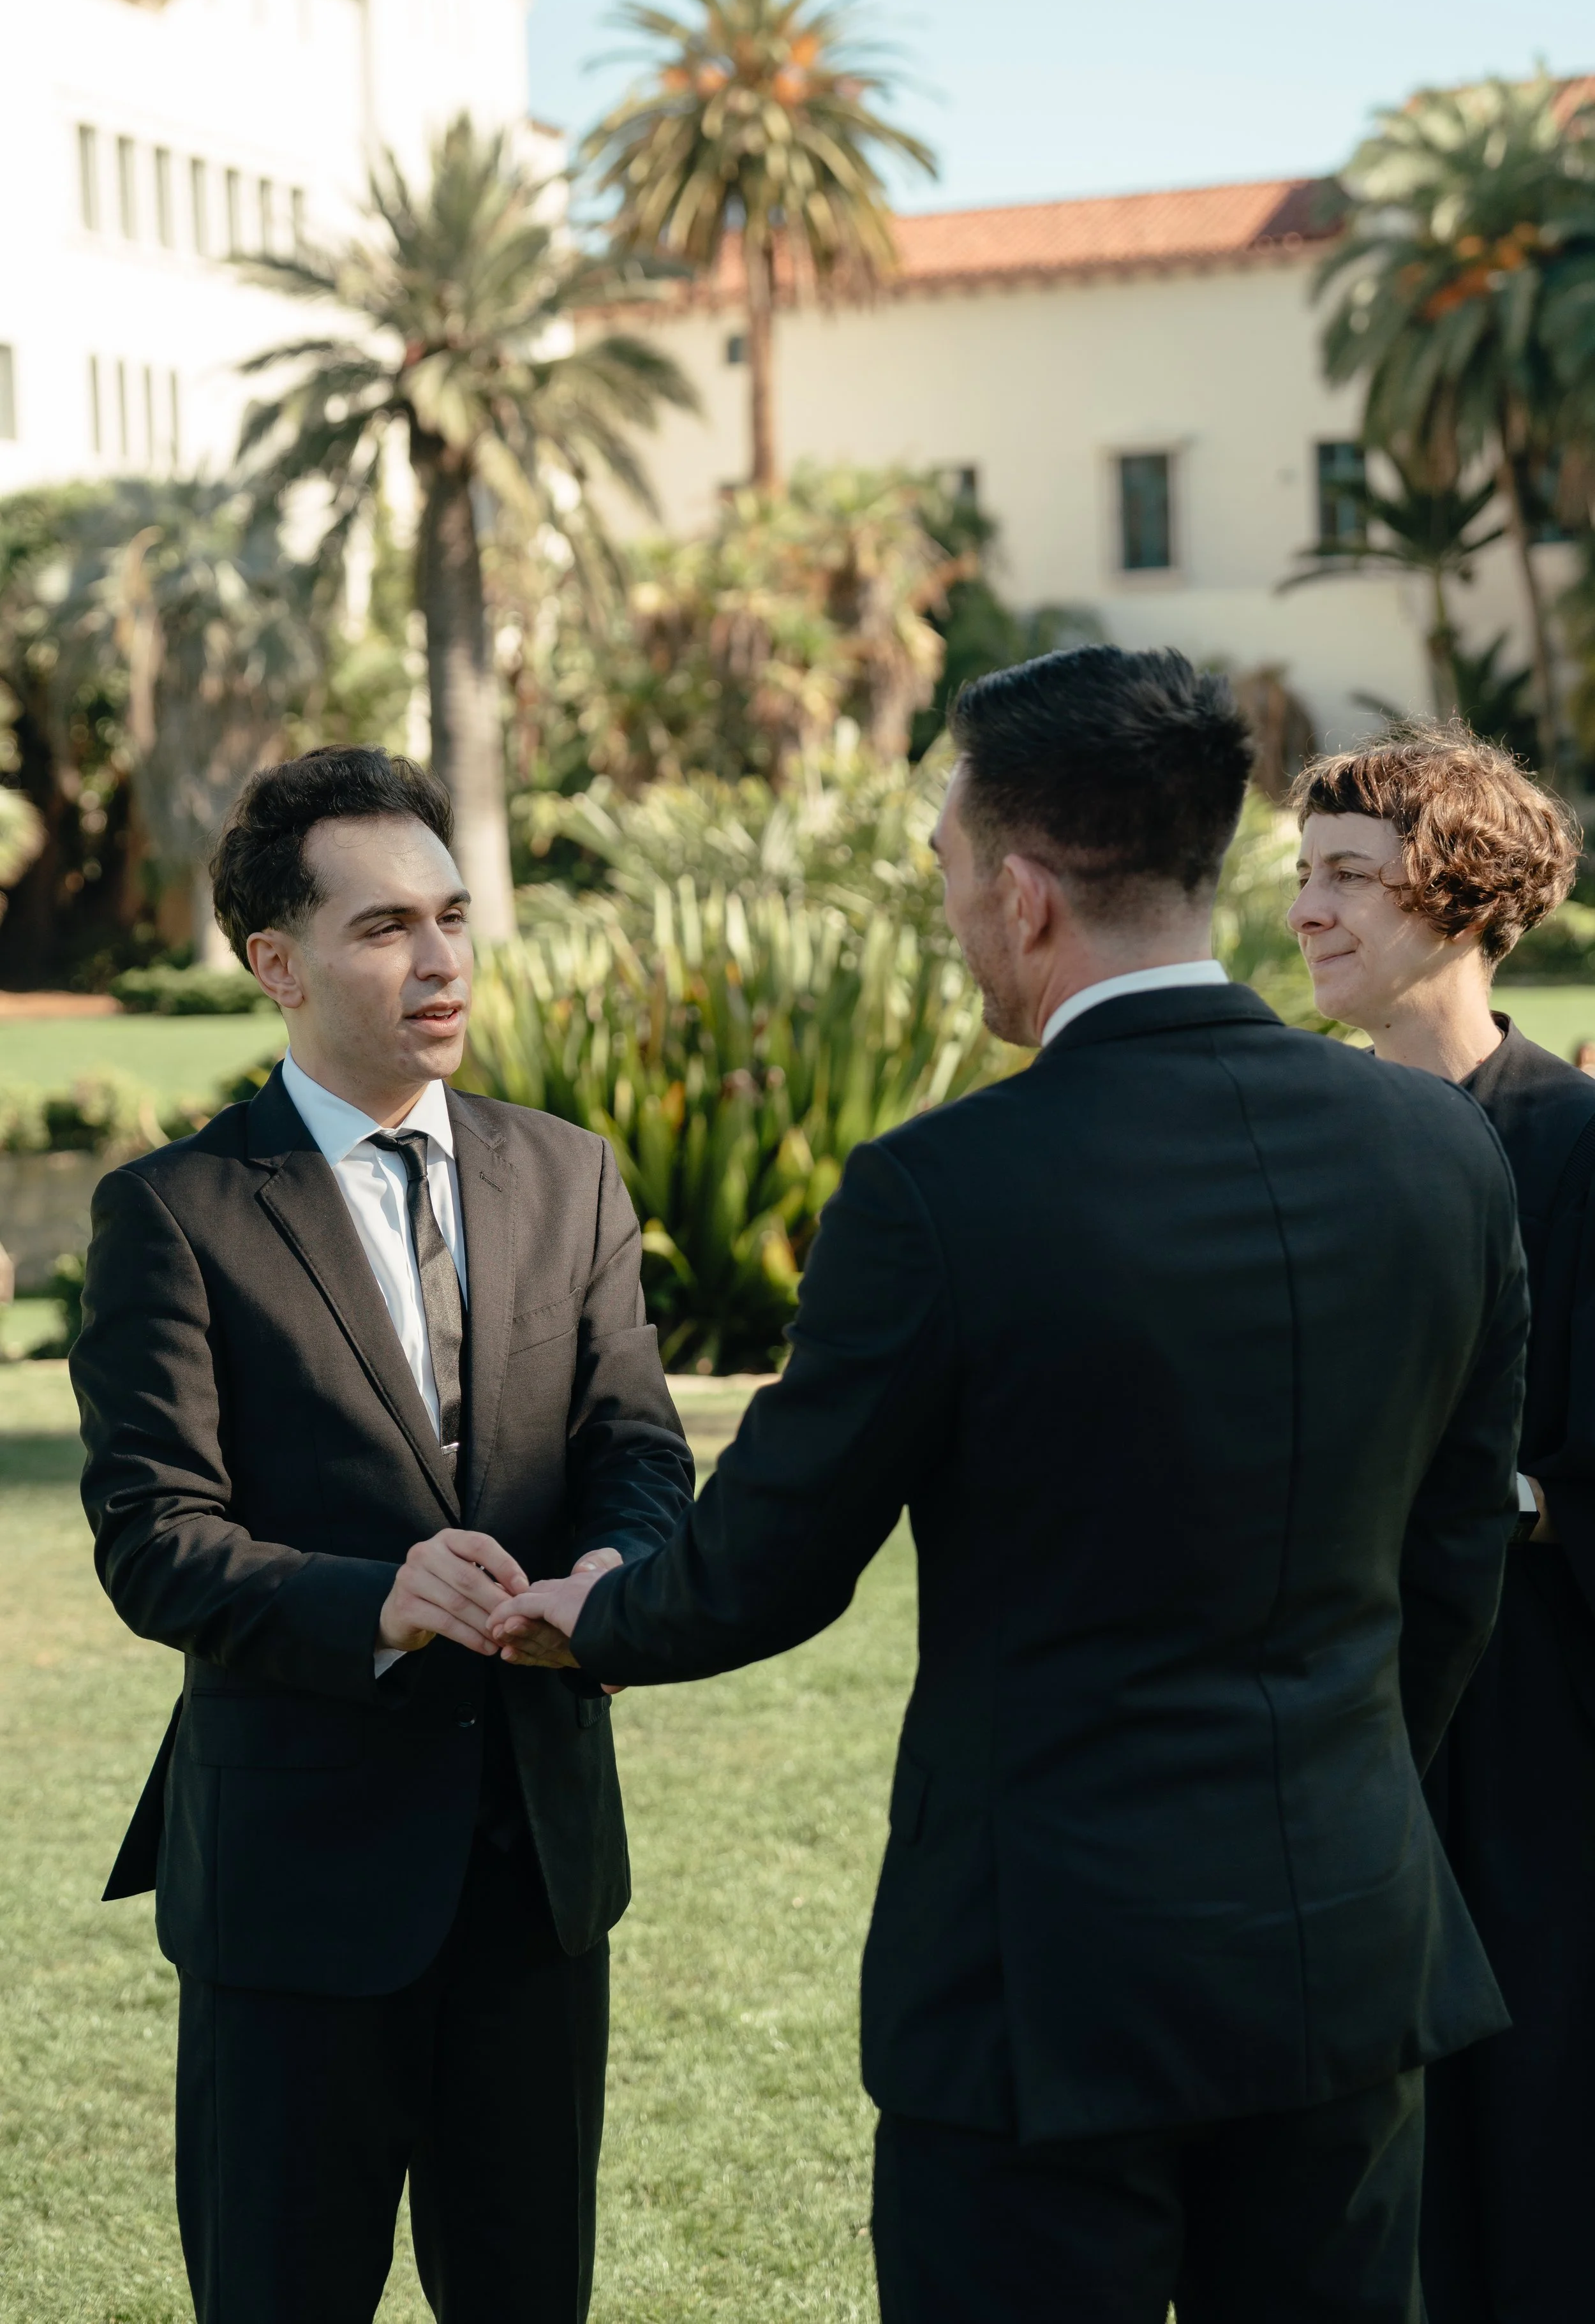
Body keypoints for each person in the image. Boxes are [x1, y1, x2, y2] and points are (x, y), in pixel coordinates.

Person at [489, 646, 1527, 2324]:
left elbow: (763, 1562)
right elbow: (1458, 1545)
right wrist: (1348, 1778)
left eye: (949, 867)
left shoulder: (940, 1189)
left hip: (1048, 1981)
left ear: (1025, 895)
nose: (952, 903)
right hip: (1344, 1938)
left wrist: (590, 1612)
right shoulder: (1439, 1147)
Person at [71, 746, 694, 2324]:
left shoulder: (568, 1174)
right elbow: (153, 1536)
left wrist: (615, 1577)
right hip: (295, 1898)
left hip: (537, 1881)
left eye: (453, 917)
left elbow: (636, 1452)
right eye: (383, 928)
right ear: (275, 964)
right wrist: (381, 1599)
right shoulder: (177, 1213)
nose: (438, 962)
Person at [1288, 722, 1593, 2324]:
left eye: (1347, 873)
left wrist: (1472, 1492)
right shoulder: (1287, 1142)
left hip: (1538, 1736)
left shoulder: (1579, 1147)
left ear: (1461, 888)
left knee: (1539, 2169)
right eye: (1299, 877)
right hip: (1328, 1736)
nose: (1305, 911)